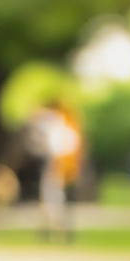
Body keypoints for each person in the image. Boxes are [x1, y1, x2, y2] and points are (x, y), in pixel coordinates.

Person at [24, 100, 82, 240]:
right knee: (53, 201)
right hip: (57, 167)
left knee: (54, 201)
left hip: (58, 168)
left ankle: (56, 230)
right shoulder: (61, 126)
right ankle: (52, 230)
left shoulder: (60, 126)